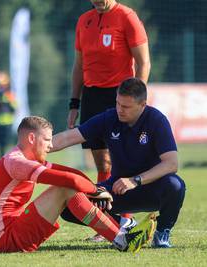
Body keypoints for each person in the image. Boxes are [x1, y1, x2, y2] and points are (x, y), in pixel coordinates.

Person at [0, 115, 155, 253]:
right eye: (47, 140)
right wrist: (96, 191)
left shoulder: (25, 157)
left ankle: (122, 233)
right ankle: (122, 239)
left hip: (13, 227)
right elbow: (68, 180)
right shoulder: (17, 162)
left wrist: (95, 190)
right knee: (64, 189)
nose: (51, 145)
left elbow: (71, 174)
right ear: (32, 138)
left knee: (67, 188)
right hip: (5, 238)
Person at [53, 78, 186, 248]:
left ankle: (161, 233)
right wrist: (37, 147)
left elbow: (171, 164)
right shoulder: (109, 118)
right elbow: (68, 137)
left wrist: (135, 180)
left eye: (126, 107)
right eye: (118, 103)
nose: (119, 110)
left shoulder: (157, 120)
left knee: (176, 185)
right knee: (70, 206)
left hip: (153, 188)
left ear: (143, 105)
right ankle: (126, 225)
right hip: (118, 189)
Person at [67, 0, 150, 185]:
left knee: (120, 159)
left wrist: (137, 99)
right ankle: (108, 208)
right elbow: (79, 66)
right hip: (92, 96)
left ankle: (125, 213)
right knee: (101, 162)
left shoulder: (127, 17)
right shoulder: (84, 20)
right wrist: (74, 103)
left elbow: (144, 63)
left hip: (119, 96)